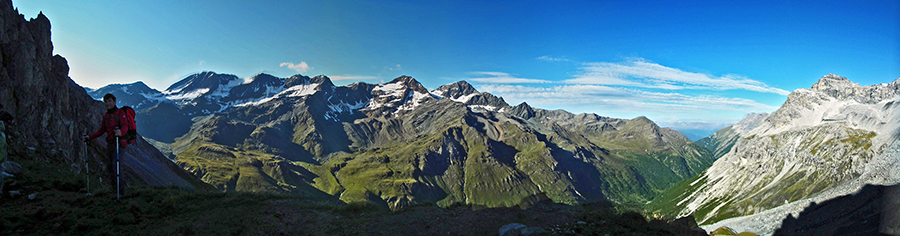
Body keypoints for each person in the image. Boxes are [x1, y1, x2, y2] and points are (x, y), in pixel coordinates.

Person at [83, 93, 130, 199]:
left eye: (109, 101)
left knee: (116, 167)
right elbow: (102, 130)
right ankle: (114, 190)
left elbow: (125, 126)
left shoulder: (120, 113)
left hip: (119, 145)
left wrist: (120, 133)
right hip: (110, 145)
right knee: (110, 167)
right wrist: (90, 138)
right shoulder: (106, 116)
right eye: (106, 101)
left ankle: (120, 192)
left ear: (114, 102)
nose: (108, 103)